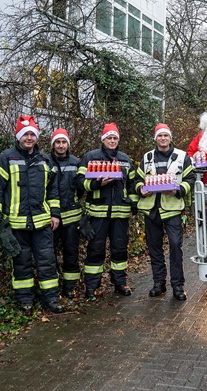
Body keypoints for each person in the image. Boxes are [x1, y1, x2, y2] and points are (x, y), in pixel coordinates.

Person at [0, 115, 63, 314]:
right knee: (22, 263)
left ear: (37, 137)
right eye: (25, 134)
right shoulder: (6, 158)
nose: (29, 138)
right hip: (17, 224)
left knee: (47, 262)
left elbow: (52, 191)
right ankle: (25, 300)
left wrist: (55, 214)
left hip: (42, 223)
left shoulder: (45, 160)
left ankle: (51, 300)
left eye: (32, 134)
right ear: (18, 136)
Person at [75, 123, 139, 300]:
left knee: (120, 250)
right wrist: (96, 184)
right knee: (95, 250)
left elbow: (132, 184)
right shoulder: (90, 157)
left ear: (118, 140)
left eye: (115, 138)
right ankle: (91, 286)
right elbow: (79, 182)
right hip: (98, 213)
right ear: (103, 140)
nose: (112, 141)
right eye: (109, 138)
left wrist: (133, 205)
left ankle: (119, 283)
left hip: (120, 214)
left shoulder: (125, 159)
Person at [136, 123, 195, 300]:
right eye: (160, 136)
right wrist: (140, 189)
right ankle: (158, 283)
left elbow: (190, 178)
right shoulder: (146, 157)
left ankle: (177, 285)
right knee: (154, 248)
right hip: (151, 209)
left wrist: (178, 190)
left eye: (165, 136)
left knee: (175, 247)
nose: (163, 139)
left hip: (172, 209)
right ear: (156, 139)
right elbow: (137, 180)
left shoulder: (182, 156)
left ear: (170, 138)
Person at [46, 128, 84, 298]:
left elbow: (81, 189)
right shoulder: (44, 161)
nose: (61, 146)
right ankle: (52, 287)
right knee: (49, 254)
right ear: (53, 144)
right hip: (49, 218)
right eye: (58, 142)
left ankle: (70, 286)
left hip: (71, 217)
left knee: (71, 253)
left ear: (68, 144)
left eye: (64, 142)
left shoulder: (76, 162)